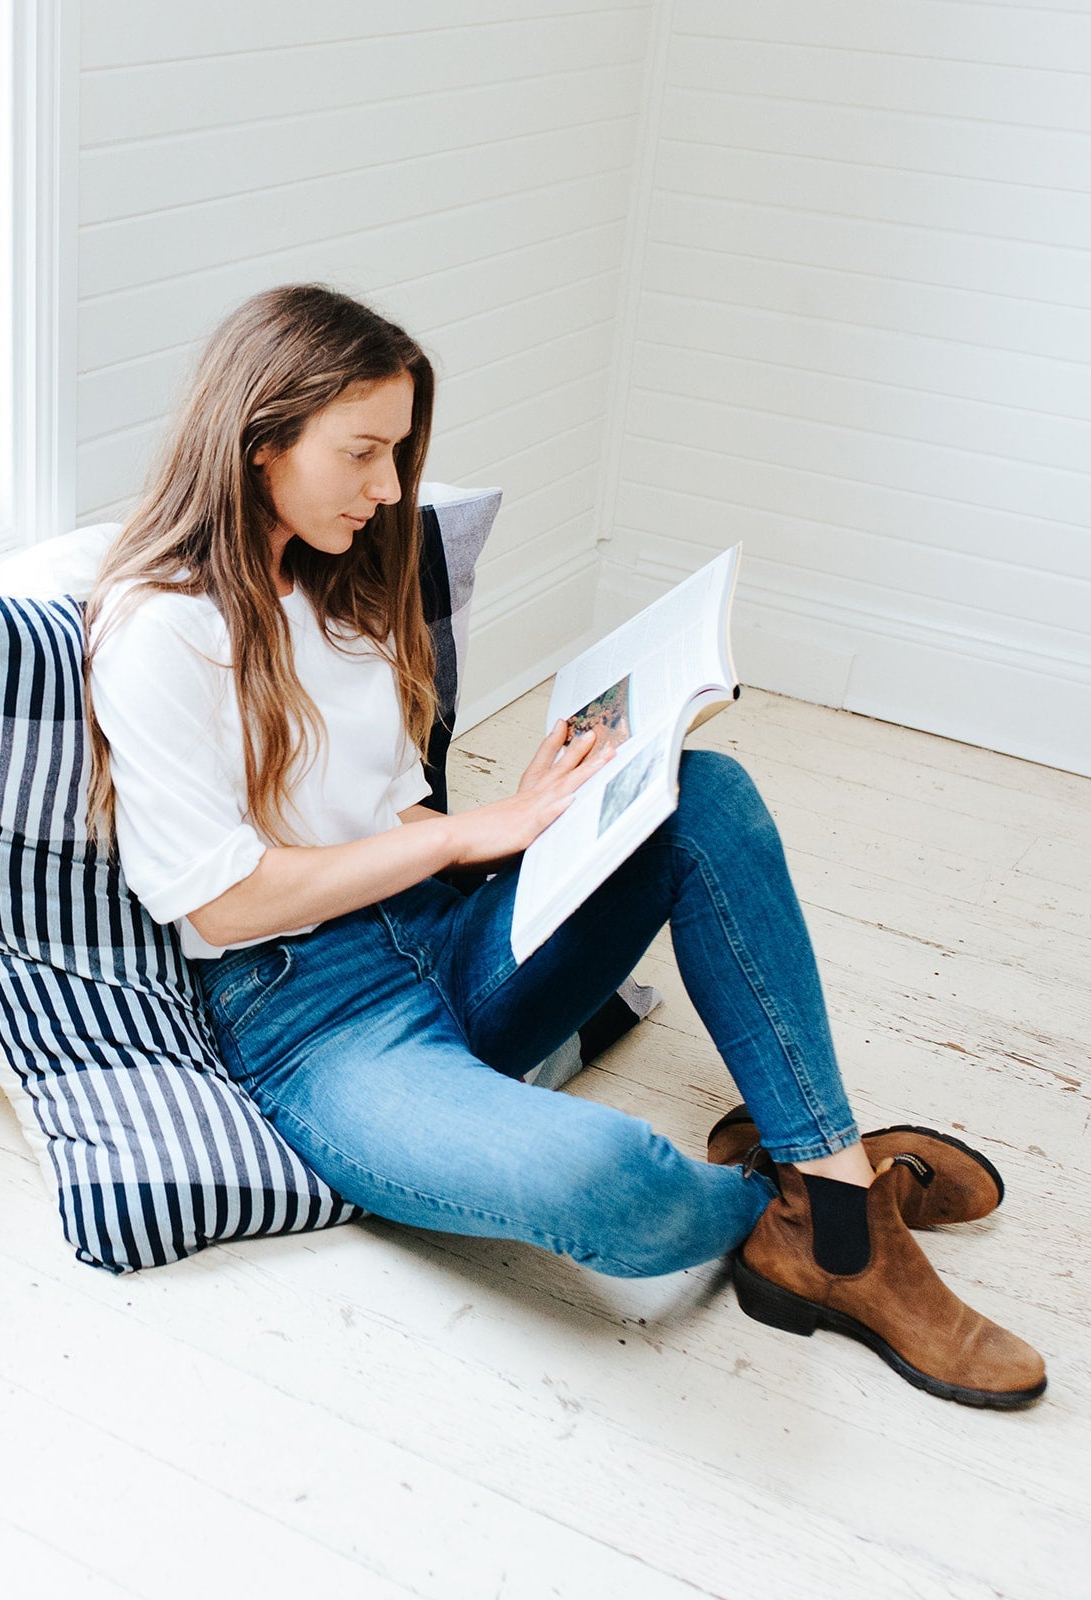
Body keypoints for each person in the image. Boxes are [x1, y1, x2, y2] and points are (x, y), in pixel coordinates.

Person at [83, 283, 1045, 1410]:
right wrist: (479, 833)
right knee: (602, 1176)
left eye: (397, 452)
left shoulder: (343, 584)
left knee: (705, 794)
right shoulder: (162, 629)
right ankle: (809, 1205)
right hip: (315, 1021)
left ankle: (831, 1188)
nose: (390, 487)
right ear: (259, 443)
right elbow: (223, 908)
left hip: (444, 938)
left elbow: (394, 819)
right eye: (364, 452)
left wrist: (535, 816)